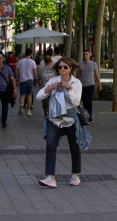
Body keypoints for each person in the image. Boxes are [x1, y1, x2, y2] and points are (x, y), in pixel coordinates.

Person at [36, 58, 83, 188]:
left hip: (70, 118)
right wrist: (49, 88)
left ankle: (75, 175)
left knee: (74, 146)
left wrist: (69, 89)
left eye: (65, 67)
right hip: (54, 119)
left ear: (70, 69)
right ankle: (50, 177)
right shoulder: (53, 81)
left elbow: (75, 102)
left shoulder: (76, 83)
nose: (62, 70)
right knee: (50, 145)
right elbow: (39, 96)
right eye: (60, 67)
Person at [79, 49, 102, 121]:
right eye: (84, 54)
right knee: (84, 101)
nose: (85, 56)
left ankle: (90, 116)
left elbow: (97, 75)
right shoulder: (80, 64)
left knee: (89, 101)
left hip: (90, 85)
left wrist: (99, 84)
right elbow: (78, 76)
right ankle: (85, 115)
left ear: (90, 55)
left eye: (86, 54)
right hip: (83, 85)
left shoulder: (93, 64)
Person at [17, 49, 37, 116]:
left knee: (22, 95)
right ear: (31, 54)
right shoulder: (33, 62)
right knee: (29, 95)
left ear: (25, 53)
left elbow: (17, 71)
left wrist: (17, 79)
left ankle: (22, 105)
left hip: (22, 80)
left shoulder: (20, 61)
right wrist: (35, 80)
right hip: (30, 80)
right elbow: (35, 72)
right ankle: (28, 111)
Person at [37, 51, 56, 117]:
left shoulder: (40, 69)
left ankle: (46, 115)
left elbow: (37, 79)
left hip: (44, 89)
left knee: (45, 105)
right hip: (53, 89)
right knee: (53, 103)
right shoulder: (54, 69)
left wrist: (40, 83)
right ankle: (52, 115)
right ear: (51, 62)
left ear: (44, 62)